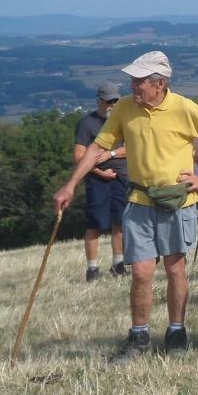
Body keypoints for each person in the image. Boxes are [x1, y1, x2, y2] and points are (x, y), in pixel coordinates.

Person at [54, 51, 198, 361]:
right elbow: (98, 147)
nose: (133, 86)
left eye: (139, 81)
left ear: (160, 83)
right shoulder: (125, 108)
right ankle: (138, 336)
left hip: (176, 201)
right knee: (140, 272)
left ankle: (176, 332)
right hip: (138, 200)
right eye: (133, 80)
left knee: (175, 269)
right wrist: (70, 184)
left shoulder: (184, 107)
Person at [73, 82, 129, 280]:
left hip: (122, 176)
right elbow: (79, 156)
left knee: (120, 223)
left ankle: (118, 264)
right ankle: (92, 268)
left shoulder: (123, 121)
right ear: (99, 101)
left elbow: (133, 147)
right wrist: (99, 172)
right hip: (97, 180)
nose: (113, 105)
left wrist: (111, 153)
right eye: (109, 101)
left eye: (116, 100)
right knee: (95, 223)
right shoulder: (87, 123)